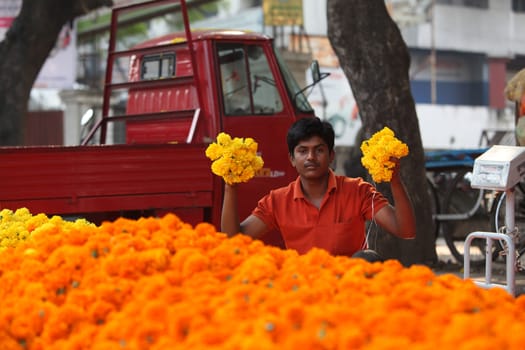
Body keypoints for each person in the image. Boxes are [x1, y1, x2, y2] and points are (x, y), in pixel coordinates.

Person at [221, 117, 416, 261]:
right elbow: (233, 239)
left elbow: (406, 230)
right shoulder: (277, 201)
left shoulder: (357, 191)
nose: (311, 157)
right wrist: (231, 187)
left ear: (331, 156)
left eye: (319, 150)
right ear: (291, 159)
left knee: (369, 259)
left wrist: (394, 178)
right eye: (303, 151)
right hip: (301, 286)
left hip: (350, 286)